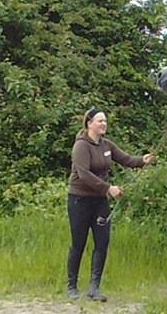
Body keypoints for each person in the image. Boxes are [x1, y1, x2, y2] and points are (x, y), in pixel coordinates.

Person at [66, 107, 156, 301]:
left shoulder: (107, 145)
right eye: (100, 121)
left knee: (102, 242)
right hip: (79, 200)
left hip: (100, 202)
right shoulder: (81, 146)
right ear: (89, 123)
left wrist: (142, 160)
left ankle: (94, 288)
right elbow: (84, 174)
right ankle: (72, 287)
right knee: (78, 243)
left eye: (105, 121)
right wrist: (109, 189)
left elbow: (126, 159)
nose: (103, 124)